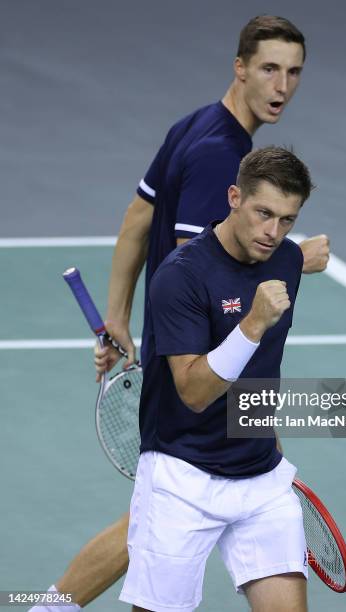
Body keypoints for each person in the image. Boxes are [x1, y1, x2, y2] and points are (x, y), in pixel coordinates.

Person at [30, 15, 328, 612]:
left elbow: (136, 220)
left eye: (294, 72)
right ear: (239, 67)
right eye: (269, 68)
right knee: (157, 512)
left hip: (189, 355)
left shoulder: (195, 125)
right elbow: (202, 268)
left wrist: (118, 317)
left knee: (142, 519)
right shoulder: (227, 159)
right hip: (200, 370)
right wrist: (292, 259)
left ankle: (45, 607)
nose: (283, 86)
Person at [121, 146, 313, 611]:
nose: (273, 232)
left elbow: (264, 368)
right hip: (182, 479)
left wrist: (269, 439)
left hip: (259, 478)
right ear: (233, 197)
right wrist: (251, 324)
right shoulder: (180, 277)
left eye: (287, 220)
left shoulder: (286, 261)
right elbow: (193, 391)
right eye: (263, 213)